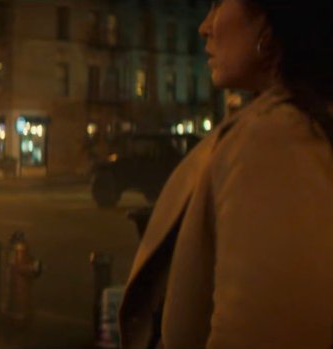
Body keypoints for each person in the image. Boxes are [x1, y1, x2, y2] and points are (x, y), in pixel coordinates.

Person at [119, 1, 333, 349]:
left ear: (269, 23)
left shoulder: (273, 136)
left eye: (219, 3)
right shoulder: (300, 122)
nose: (204, 26)